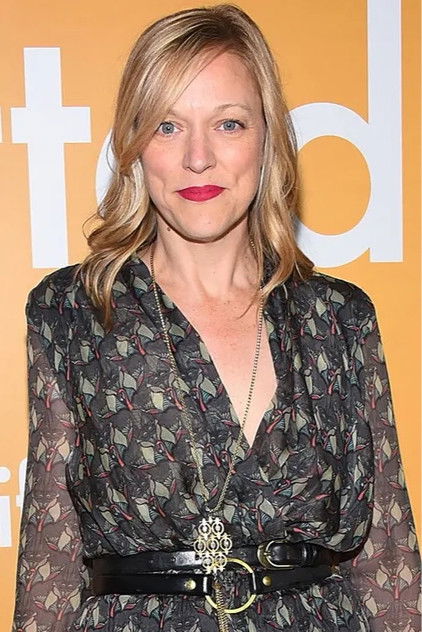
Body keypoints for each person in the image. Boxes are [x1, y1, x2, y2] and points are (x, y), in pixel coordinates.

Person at [11, 4, 420, 632]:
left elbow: (386, 557)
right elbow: (52, 551)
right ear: (133, 145)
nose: (198, 157)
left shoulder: (339, 319)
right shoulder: (72, 313)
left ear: (267, 139)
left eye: (229, 123)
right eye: (167, 126)